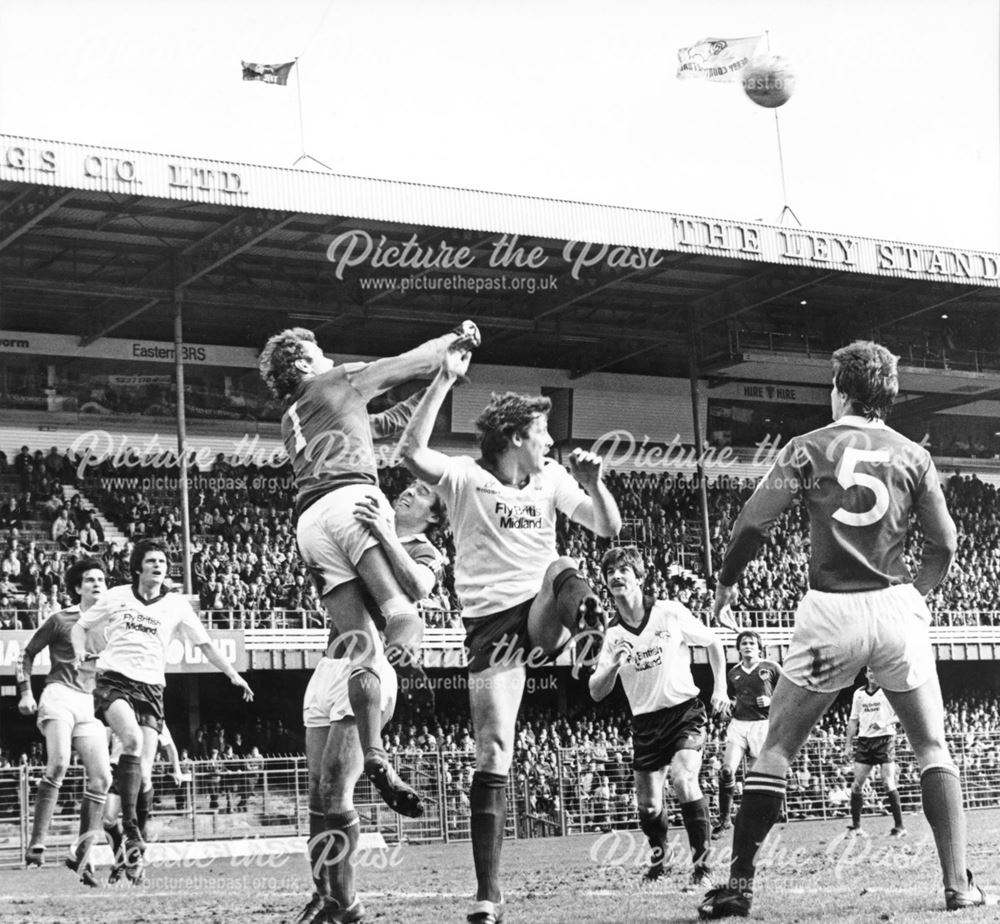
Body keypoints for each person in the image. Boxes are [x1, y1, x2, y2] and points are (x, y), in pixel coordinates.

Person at [699, 341, 995, 918]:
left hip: (830, 609)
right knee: (933, 747)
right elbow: (947, 543)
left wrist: (727, 584)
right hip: (894, 608)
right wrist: (917, 594)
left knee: (777, 748)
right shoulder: (914, 455)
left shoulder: (808, 447)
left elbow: (753, 524)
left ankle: (738, 886)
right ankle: (958, 885)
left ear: (841, 390)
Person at [399, 347, 621, 924]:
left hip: (544, 610)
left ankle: (589, 629)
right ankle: (488, 895)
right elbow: (409, 451)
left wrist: (595, 485)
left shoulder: (551, 478)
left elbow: (607, 526)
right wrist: (445, 376)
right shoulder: (465, 479)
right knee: (493, 750)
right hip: (492, 632)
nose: (551, 443)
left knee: (560, 565)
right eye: (543, 432)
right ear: (517, 437)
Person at [258, 320, 479, 818]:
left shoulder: (295, 415)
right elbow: (403, 364)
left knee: (358, 646)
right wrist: (452, 344)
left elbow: (385, 422)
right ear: (301, 363)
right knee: (400, 615)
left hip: (309, 521)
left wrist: (443, 382)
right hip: (350, 498)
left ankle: (376, 752)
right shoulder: (336, 382)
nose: (331, 358)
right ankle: (398, 681)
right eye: (320, 353)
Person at [295, 479, 445, 924]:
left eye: (421, 493)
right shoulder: (348, 525)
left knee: (337, 792)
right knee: (318, 796)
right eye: (410, 487)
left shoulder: (426, 552)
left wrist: (382, 533)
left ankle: (350, 907)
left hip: (369, 665)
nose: (408, 492)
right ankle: (325, 895)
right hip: (328, 667)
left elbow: (417, 589)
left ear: (434, 517)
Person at [69, 538, 253, 882]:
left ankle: (134, 854)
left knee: (147, 773)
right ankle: (131, 828)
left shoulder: (177, 605)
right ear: (138, 567)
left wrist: (233, 674)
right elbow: (81, 626)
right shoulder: (117, 596)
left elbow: (206, 644)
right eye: (152, 561)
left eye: (163, 562)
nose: (159, 566)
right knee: (131, 741)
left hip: (152, 688)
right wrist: (80, 653)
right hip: (115, 680)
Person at [589, 546, 728, 889]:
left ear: (639, 577)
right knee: (649, 808)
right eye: (610, 572)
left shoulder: (668, 612)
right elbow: (596, 690)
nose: (617, 576)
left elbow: (713, 644)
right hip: (646, 724)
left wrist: (720, 688)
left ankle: (702, 867)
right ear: (605, 582)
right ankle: (660, 860)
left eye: (624, 570)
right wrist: (612, 666)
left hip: (684, 713)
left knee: (684, 779)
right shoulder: (612, 634)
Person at [16, 558, 112, 885]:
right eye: (89, 580)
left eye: (101, 579)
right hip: (58, 694)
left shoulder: (111, 624)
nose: (97, 584)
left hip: (87, 704)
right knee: (58, 763)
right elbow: (26, 655)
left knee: (102, 779)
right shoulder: (60, 620)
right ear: (77, 587)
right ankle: (36, 845)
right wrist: (26, 692)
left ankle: (82, 855)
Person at [712, 631, 782, 839]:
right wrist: (725, 708)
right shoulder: (733, 673)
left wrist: (771, 701)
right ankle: (725, 820)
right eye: (744, 643)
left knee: (755, 779)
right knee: (726, 770)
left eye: (752, 642)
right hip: (739, 725)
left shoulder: (771, 667)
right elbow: (733, 700)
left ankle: (756, 822)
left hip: (762, 725)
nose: (748, 646)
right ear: (738, 648)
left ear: (759, 647)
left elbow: (788, 693)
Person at [844, 666, 906, 837]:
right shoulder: (859, 694)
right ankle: (856, 827)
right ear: (866, 674)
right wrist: (848, 745)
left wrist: (884, 723)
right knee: (857, 785)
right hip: (865, 741)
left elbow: (901, 714)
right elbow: (853, 720)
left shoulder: (888, 691)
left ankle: (900, 827)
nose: (872, 674)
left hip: (885, 739)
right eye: (870, 671)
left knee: (888, 782)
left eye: (876, 671)